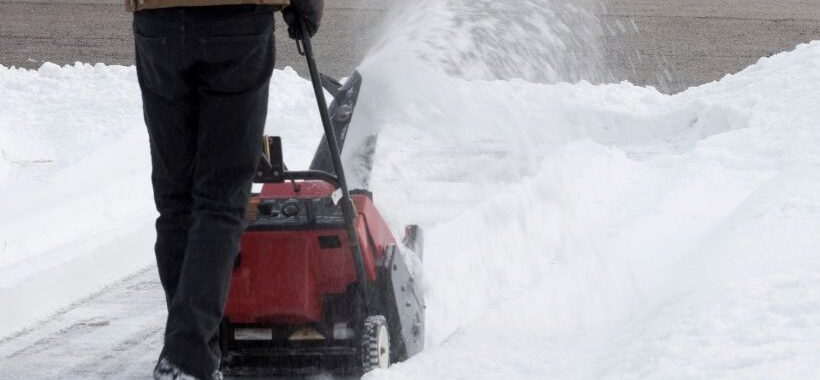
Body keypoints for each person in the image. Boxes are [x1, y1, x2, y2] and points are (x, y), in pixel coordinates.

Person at [128, 0, 323, 379]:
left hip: (158, 25)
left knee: (175, 201)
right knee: (219, 199)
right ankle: (187, 357)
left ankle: (192, 350)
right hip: (237, 24)